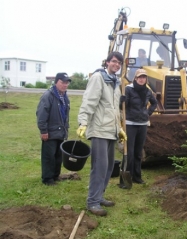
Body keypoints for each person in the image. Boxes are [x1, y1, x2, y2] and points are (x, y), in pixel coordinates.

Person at [76, 51, 127, 216]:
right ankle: (92, 202)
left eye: (119, 62)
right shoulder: (98, 78)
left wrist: (119, 129)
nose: (116, 65)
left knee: (109, 167)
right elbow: (89, 101)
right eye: (114, 61)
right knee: (100, 167)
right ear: (107, 62)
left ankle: (99, 196)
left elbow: (113, 110)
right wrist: (83, 122)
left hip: (110, 131)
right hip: (98, 130)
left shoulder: (114, 83)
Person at [119, 68, 157, 188]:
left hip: (143, 124)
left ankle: (137, 176)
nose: (142, 79)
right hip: (130, 123)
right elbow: (122, 106)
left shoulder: (147, 91)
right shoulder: (128, 89)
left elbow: (154, 103)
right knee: (129, 152)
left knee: (138, 153)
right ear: (135, 78)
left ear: (146, 79)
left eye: (144, 77)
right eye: (139, 77)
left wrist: (148, 113)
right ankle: (126, 178)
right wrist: (122, 101)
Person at [36, 72, 71, 186]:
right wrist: (44, 131)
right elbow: (41, 114)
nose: (65, 85)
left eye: (66, 83)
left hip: (60, 132)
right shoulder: (48, 96)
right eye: (62, 82)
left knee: (58, 156)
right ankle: (47, 179)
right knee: (48, 157)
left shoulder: (65, 97)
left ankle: (55, 176)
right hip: (50, 132)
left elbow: (66, 115)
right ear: (56, 82)